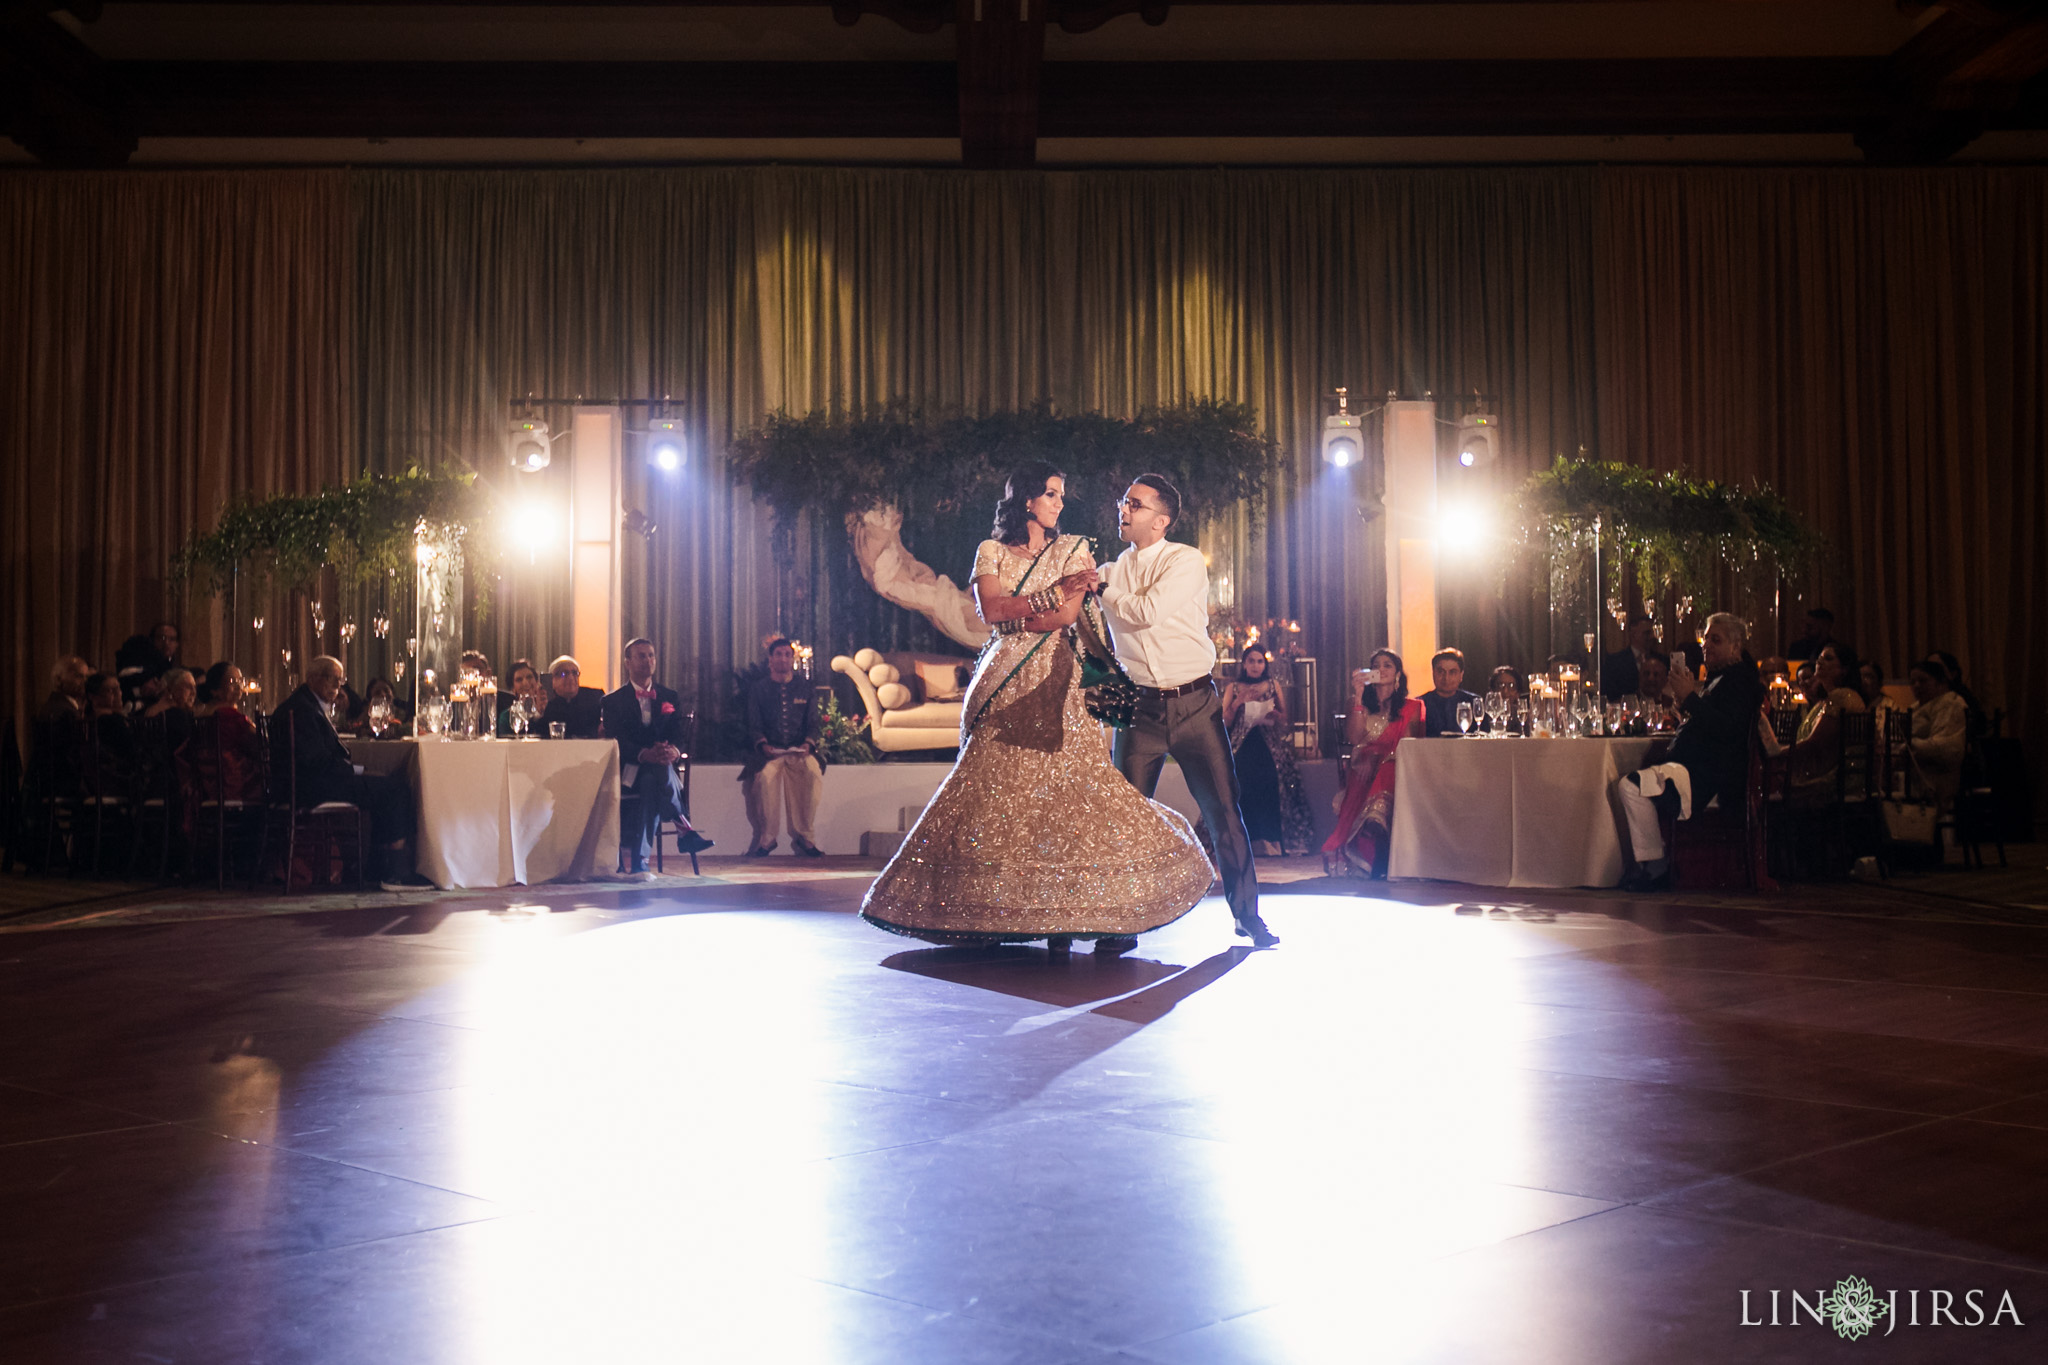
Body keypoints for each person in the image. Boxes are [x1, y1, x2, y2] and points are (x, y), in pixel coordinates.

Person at [861, 462, 1215, 953]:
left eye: (1061, 495)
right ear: (1027, 499)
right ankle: (982, 907)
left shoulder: (1075, 549)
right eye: (1051, 494)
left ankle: (1067, 918)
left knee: (1064, 798)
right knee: (992, 794)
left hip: (1058, 684)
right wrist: (1040, 600)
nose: (1059, 503)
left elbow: (1066, 616)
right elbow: (990, 611)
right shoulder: (990, 551)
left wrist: (1019, 608)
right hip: (1000, 680)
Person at [1096, 472, 1277, 947]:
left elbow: (1146, 611)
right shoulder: (1112, 569)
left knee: (1223, 811)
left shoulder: (1185, 560)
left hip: (1196, 704)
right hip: (1139, 710)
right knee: (1126, 819)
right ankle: (1123, 925)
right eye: (1124, 501)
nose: (1123, 509)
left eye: (1133, 503)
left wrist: (1101, 589)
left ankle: (1247, 916)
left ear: (1161, 520)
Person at [1613, 613, 1765, 891]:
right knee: (1629, 782)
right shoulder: (1720, 678)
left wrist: (1691, 697)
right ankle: (1653, 863)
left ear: (1735, 646)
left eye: (1715, 640)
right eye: (1705, 638)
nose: (1706, 644)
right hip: (1693, 768)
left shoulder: (1740, 680)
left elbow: (1728, 729)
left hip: (1710, 775)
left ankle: (1656, 867)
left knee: (1631, 786)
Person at [271, 656, 428, 891]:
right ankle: (395, 872)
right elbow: (316, 761)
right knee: (395, 788)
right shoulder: (302, 710)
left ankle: (377, 868)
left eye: (340, 680)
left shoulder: (304, 704)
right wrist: (358, 770)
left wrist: (359, 771)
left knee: (385, 784)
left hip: (312, 781)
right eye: (333, 680)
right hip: (311, 786)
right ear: (313, 679)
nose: (338, 687)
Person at [601, 638, 713, 876]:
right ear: (627, 663)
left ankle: (641, 859)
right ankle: (684, 829)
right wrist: (644, 754)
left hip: (659, 766)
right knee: (655, 775)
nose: (648, 661)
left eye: (651, 655)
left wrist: (674, 750)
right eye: (641, 656)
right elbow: (615, 740)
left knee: (653, 780)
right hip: (631, 769)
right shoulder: (612, 701)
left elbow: (678, 735)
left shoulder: (668, 695)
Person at [1321, 649, 1424, 877]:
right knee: (1368, 770)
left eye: (1388, 665)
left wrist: (1377, 758)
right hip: (1361, 768)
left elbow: (1406, 746)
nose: (1381, 669)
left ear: (1398, 674)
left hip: (1393, 766)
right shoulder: (1357, 703)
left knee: (1388, 768)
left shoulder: (1411, 708)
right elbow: (1355, 738)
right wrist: (1358, 696)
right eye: (1376, 665)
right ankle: (1373, 838)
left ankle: (1375, 824)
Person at [1223, 645, 1313, 856]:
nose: (1256, 666)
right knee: (1241, 781)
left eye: (1260, 661)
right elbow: (1225, 721)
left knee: (1273, 779)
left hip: (1269, 743)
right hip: (1242, 743)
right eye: (1251, 661)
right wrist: (1238, 703)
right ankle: (1245, 840)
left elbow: (1285, 718)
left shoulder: (1273, 685)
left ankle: (1273, 840)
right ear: (1244, 664)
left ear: (1265, 665)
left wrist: (1274, 714)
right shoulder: (1233, 687)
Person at [741, 638, 825, 857]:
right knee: (765, 779)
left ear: (792, 659)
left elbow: (814, 722)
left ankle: (806, 837)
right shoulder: (758, 689)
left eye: (787, 655)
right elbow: (754, 723)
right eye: (778, 654)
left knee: (813, 773)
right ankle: (767, 840)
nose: (783, 659)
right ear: (770, 659)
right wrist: (763, 745)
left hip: (799, 751)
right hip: (771, 753)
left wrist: (808, 743)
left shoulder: (805, 688)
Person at [1757, 642, 1866, 804]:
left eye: (1828, 659)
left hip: (1835, 777)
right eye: (1819, 658)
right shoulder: (1826, 700)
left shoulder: (1843, 697)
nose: (1819, 662)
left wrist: (1778, 752)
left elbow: (1814, 743)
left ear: (1844, 669)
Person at [181, 661, 267, 811]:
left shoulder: (201, 714)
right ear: (215, 690)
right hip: (232, 782)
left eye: (240, 681)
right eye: (232, 682)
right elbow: (261, 744)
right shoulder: (228, 716)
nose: (239, 686)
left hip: (205, 783)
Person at [1904, 657, 1969, 807]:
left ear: (1941, 682)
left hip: (1937, 779)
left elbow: (1946, 747)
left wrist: (1907, 746)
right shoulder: (1915, 708)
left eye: (1923, 680)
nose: (1917, 686)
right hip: (1912, 776)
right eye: (1913, 682)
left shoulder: (1951, 704)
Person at [1421, 647, 1481, 737]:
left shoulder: (1474, 702)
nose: (1446, 678)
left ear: (1461, 675)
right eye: (1441, 671)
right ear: (1433, 673)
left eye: (1452, 672)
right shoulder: (1420, 704)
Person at [541, 655, 604, 738]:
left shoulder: (595, 696)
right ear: (552, 680)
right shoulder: (546, 702)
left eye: (574, 673)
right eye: (564, 674)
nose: (571, 677)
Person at [1602, 614, 1655, 701]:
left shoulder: (1660, 660)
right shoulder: (1615, 663)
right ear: (1634, 634)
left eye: (1653, 633)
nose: (1652, 637)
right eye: (1647, 633)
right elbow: (1610, 696)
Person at [496, 658, 543, 736]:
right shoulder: (507, 717)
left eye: (529, 677)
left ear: (537, 681)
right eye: (519, 680)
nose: (525, 683)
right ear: (513, 688)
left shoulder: (546, 709)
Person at [39, 655, 91, 722]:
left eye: (86, 677)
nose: (84, 681)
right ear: (59, 679)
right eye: (78, 676)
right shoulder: (64, 711)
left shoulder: (58, 705)